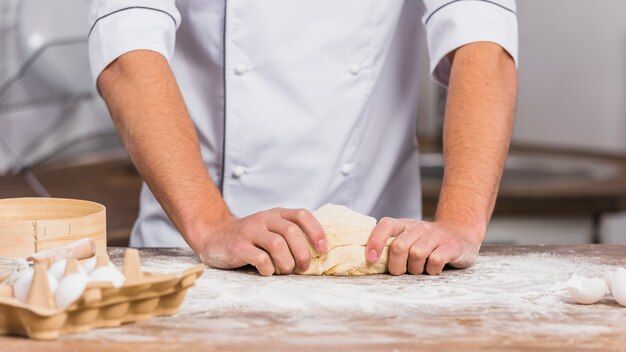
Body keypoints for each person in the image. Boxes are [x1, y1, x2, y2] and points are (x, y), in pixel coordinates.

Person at [88, 0, 518, 276]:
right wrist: (210, 224)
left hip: (383, 256)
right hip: (192, 249)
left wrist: (461, 221)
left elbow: (481, 33)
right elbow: (127, 44)